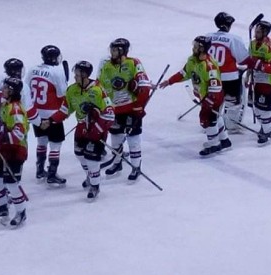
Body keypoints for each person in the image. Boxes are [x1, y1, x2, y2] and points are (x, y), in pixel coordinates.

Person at [159, 36, 231, 157]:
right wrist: (169, 81)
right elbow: (184, 73)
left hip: (214, 98)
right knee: (216, 117)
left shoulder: (209, 66)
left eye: (196, 46)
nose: (193, 48)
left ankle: (214, 144)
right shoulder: (192, 60)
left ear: (202, 48)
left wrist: (208, 102)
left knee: (207, 119)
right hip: (204, 96)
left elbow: (216, 87)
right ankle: (225, 140)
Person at [97, 38, 151, 181]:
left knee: (133, 139)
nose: (112, 52)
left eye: (115, 50)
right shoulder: (106, 65)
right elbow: (99, 86)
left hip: (131, 109)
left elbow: (145, 87)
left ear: (122, 51)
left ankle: (136, 167)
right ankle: (117, 163)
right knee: (115, 138)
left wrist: (139, 106)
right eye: (112, 49)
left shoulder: (134, 63)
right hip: (114, 110)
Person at [63, 61, 115, 200]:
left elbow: (110, 114)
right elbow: (65, 109)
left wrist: (96, 130)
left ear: (85, 75)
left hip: (97, 129)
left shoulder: (97, 90)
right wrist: (51, 120)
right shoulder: (72, 89)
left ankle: (95, 185)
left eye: (78, 74)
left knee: (92, 158)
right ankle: (92, 174)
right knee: (79, 154)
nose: (75, 76)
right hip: (81, 127)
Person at [0, 77, 29, 227]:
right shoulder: (5, 104)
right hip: (3, 147)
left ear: (12, 91)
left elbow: (18, 135)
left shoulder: (15, 109)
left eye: (6, 88)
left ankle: (21, 212)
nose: (2, 89)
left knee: (12, 184)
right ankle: (2, 206)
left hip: (16, 150)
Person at [26, 45, 68, 184]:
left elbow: (26, 89)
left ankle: (39, 170)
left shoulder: (32, 69)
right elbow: (62, 93)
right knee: (55, 144)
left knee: (41, 141)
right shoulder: (57, 71)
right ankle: (52, 174)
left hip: (36, 113)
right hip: (52, 113)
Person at [208, 12, 249, 132]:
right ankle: (231, 126)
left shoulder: (207, 37)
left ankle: (212, 123)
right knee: (232, 102)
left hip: (211, 76)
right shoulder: (234, 39)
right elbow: (243, 60)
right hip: (229, 77)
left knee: (214, 101)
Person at [242, 21, 271, 143]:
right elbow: (250, 63)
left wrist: (258, 64)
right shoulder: (252, 44)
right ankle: (265, 127)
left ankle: (267, 132)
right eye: (255, 31)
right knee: (256, 108)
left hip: (268, 82)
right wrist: (248, 76)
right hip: (256, 80)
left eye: (258, 32)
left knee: (264, 109)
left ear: (265, 33)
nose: (255, 33)